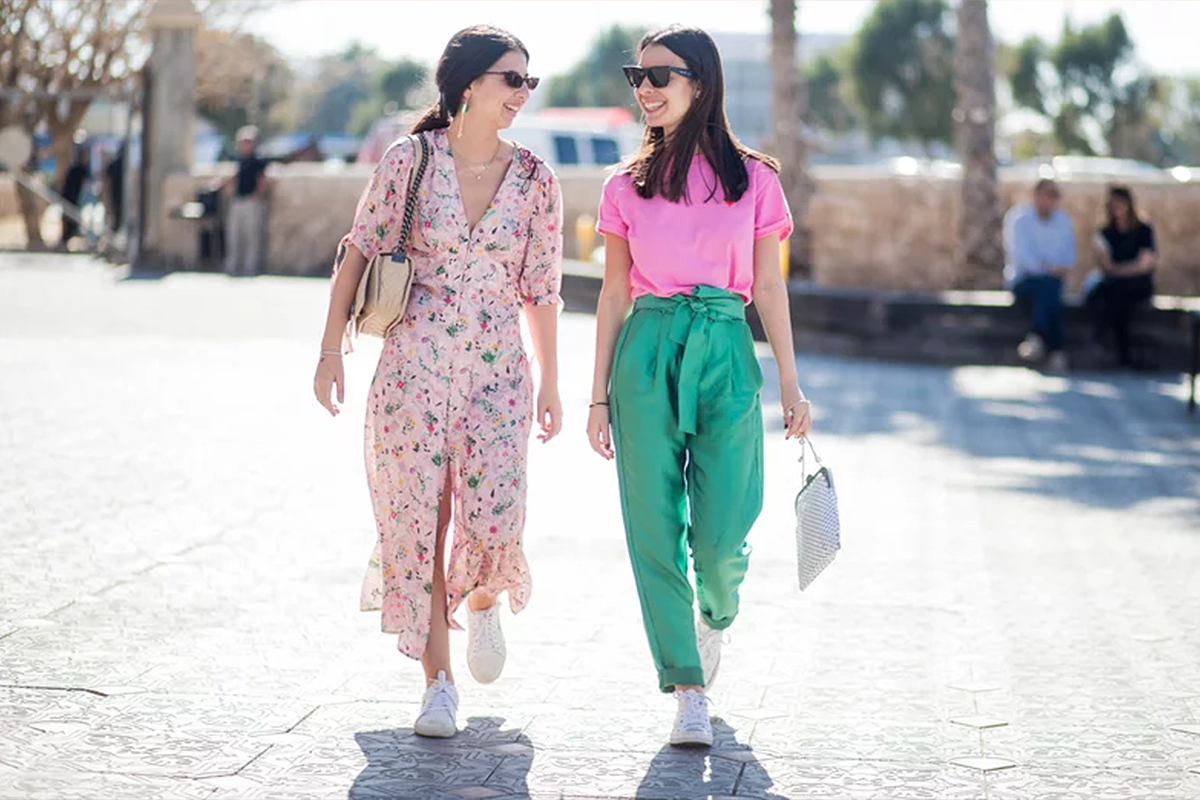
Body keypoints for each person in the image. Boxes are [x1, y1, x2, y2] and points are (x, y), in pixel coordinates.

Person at [312, 25, 563, 740]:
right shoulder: (408, 161)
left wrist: (551, 383)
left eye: (528, 82)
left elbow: (542, 289)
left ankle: (483, 598)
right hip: (413, 372)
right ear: (469, 84)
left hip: (498, 377)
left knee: (494, 515)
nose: (522, 94)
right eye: (512, 79)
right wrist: (331, 349)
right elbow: (358, 252)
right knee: (419, 522)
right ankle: (438, 683)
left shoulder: (538, 180)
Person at [585, 25, 813, 748]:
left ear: (701, 84)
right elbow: (614, 294)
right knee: (653, 529)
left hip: (723, 345)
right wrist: (596, 395)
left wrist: (792, 384)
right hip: (646, 349)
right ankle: (687, 688)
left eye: (660, 76)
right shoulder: (625, 184)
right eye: (637, 76)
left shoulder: (757, 180)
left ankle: (715, 617)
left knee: (721, 537)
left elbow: (771, 286)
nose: (645, 89)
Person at [1004, 178, 1077, 372]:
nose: (1051, 200)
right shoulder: (1019, 219)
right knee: (1048, 289)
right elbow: (1024, 260)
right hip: (1024, 281)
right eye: (1048, 195)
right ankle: (1057, 351)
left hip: (1052, 282)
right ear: (1036, 195)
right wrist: (1050, 268)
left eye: (1055, 196)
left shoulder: (1063, 222)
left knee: (1048, 287)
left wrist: (1050, 268)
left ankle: (1036, 337)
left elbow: (1068, 259)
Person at [1088, 185, 1157, 368]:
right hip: (1116, 286)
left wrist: (1118, 271)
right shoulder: (1106, 232)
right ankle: (1121, 354)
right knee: (1109, 295)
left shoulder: (1143, 230)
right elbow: (1105, 265)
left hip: (1137, 284)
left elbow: (1145, 264)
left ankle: (1100, 338)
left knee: (1115, 293)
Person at [224, 126, 268, 276]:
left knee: (252, 235)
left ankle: (251, 266)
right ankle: (233, 265)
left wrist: (258, 196)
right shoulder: (239, 160)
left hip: (251, 201)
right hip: (238, 200)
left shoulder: (258, 161)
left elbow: (263, 180)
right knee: (234, 234)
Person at [59, 146, 90, 248]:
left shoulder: (77, 168)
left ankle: (67, 239)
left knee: (71, 221)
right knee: (70, 221)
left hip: (72, 198)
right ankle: (66, 239)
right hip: (72, 198)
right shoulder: (79, 169)